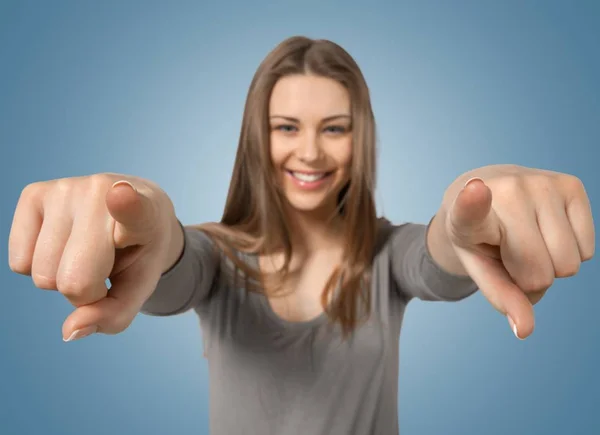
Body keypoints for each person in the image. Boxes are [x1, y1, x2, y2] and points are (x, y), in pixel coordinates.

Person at [8, 36, 595, 435]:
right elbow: (172, 263)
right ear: (255, 140)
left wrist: (474, 202)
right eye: (286, 127)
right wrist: (145, 214)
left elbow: (439, 253)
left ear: (358, 139)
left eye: (334, 128)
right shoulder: (216, 259)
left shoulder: (388, 256)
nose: (310, 151)